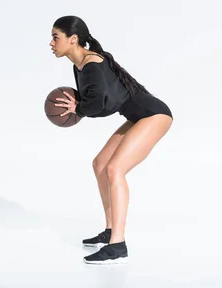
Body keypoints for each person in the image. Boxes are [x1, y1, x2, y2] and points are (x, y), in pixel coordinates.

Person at [49, 15, 173, 265]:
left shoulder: (92, 64)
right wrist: (81, 108)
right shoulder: (79, 65)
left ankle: (117, 245)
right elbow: (103, 104)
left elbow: (100, 104)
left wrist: (79, 109)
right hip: (137, 115)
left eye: (55, 37)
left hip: (154, 114)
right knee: (100, 165)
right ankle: (109, 231)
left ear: (73, 39)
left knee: (115, 169)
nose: (51, 43)